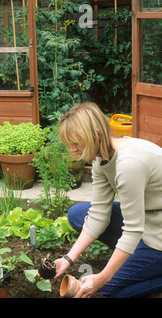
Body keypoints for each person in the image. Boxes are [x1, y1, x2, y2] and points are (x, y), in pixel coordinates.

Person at [54, 102, 162, 298]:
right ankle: (136, 258)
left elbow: (132, 228)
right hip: (147, 218)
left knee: (106, 289)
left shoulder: (129, 164)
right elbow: (98, 214)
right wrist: (69, 258)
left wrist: (103, 277)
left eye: (76, 143)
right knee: (78, 214)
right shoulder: (101, 158)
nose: (71, 150)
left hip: (158, 233)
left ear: (96, 134)